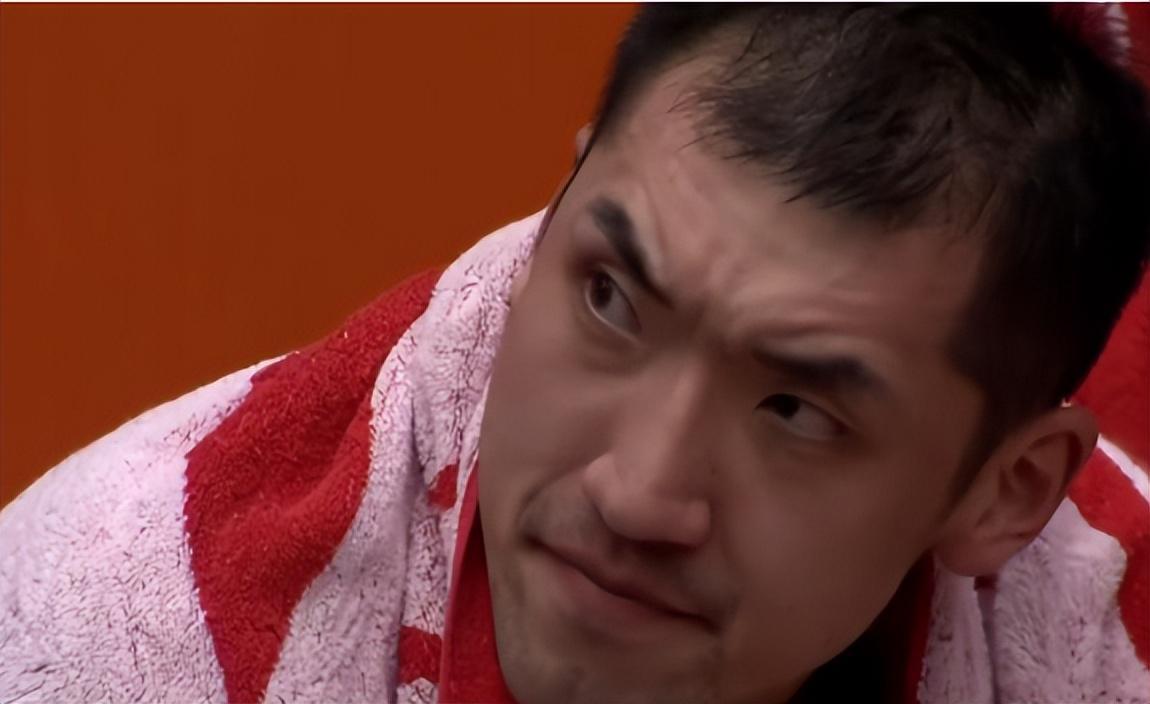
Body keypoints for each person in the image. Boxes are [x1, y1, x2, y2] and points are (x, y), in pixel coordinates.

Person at [2, 4, 1148, 703]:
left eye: (796, 409)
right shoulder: (119, 635)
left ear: (1010, 489)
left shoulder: (1115, 633)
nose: (638, 492)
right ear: (556, 213)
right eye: (611, 300)